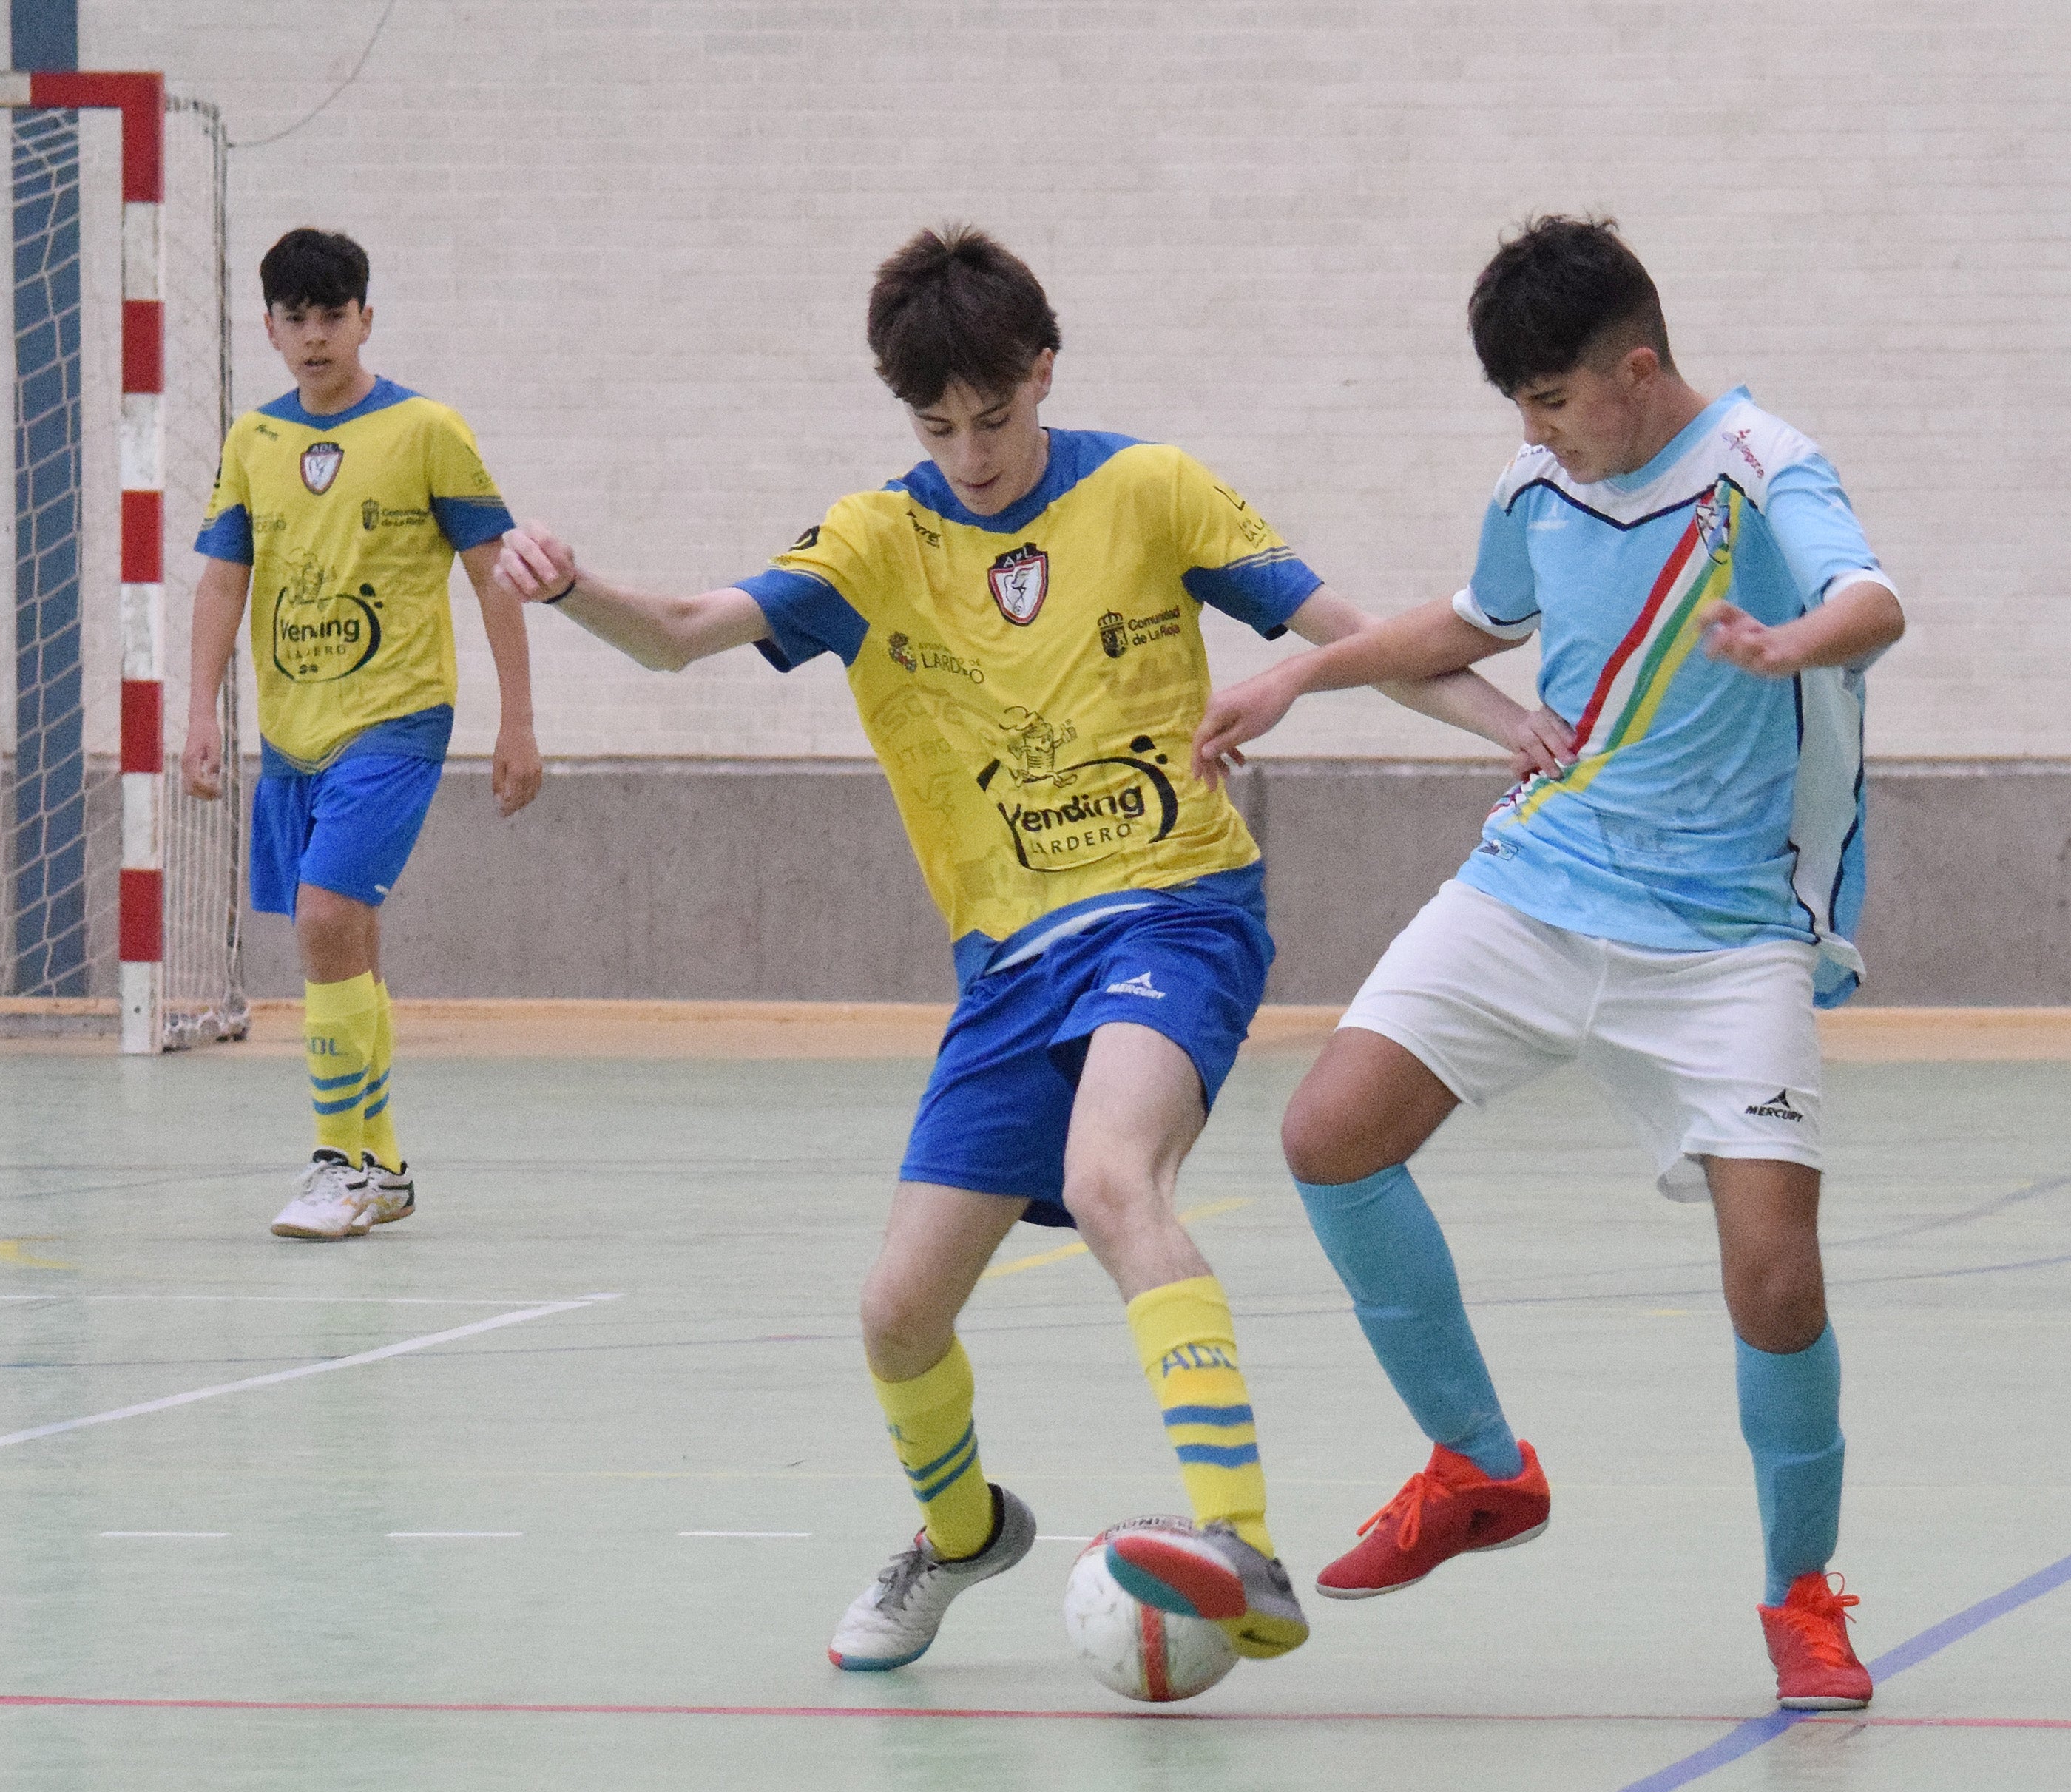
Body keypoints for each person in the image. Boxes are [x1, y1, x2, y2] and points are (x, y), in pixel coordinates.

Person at [496, 226, 1556, 1670]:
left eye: (993, 416)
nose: (973, 450)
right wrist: (574, 590)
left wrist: (1512, 731)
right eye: (939, 426)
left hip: (1178, 910)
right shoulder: (878, 539)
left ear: (1041, 370)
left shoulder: (1151, 491)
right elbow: (682, 634)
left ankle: (1240, 1542)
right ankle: (961, 1534)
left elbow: (1346, 635)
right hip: (1009, 969)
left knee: (1111, 1176)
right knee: (897, 1315)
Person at [1192, 214, 1902, 1710]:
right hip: (1538, 879)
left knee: (1775, 1281)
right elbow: (1469, 619)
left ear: (1635, 372)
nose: (1536, 433)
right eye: (1519, 407)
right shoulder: (1537, 486)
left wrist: (1796, 644)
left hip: (1723, 942)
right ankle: (1477, 1464)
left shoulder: (1766, 469)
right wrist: (1301, 672)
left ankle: (1802, 1598)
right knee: (1329, 1136)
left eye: (1554, 401)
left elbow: (1873, 603)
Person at [185, 227, 544, 1241]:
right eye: (294, 319)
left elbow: (491, 572)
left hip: (397, 720)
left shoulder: (428, 429)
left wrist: (517, 720)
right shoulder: (254, 442)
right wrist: (198, 707)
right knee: (347, 936)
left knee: (325, 917)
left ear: (366, 319)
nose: (313, 336)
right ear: (269, 328)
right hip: (292, 736)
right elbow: (223, 576)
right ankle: (381, 1169)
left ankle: (337, 1164)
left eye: (331, 316)